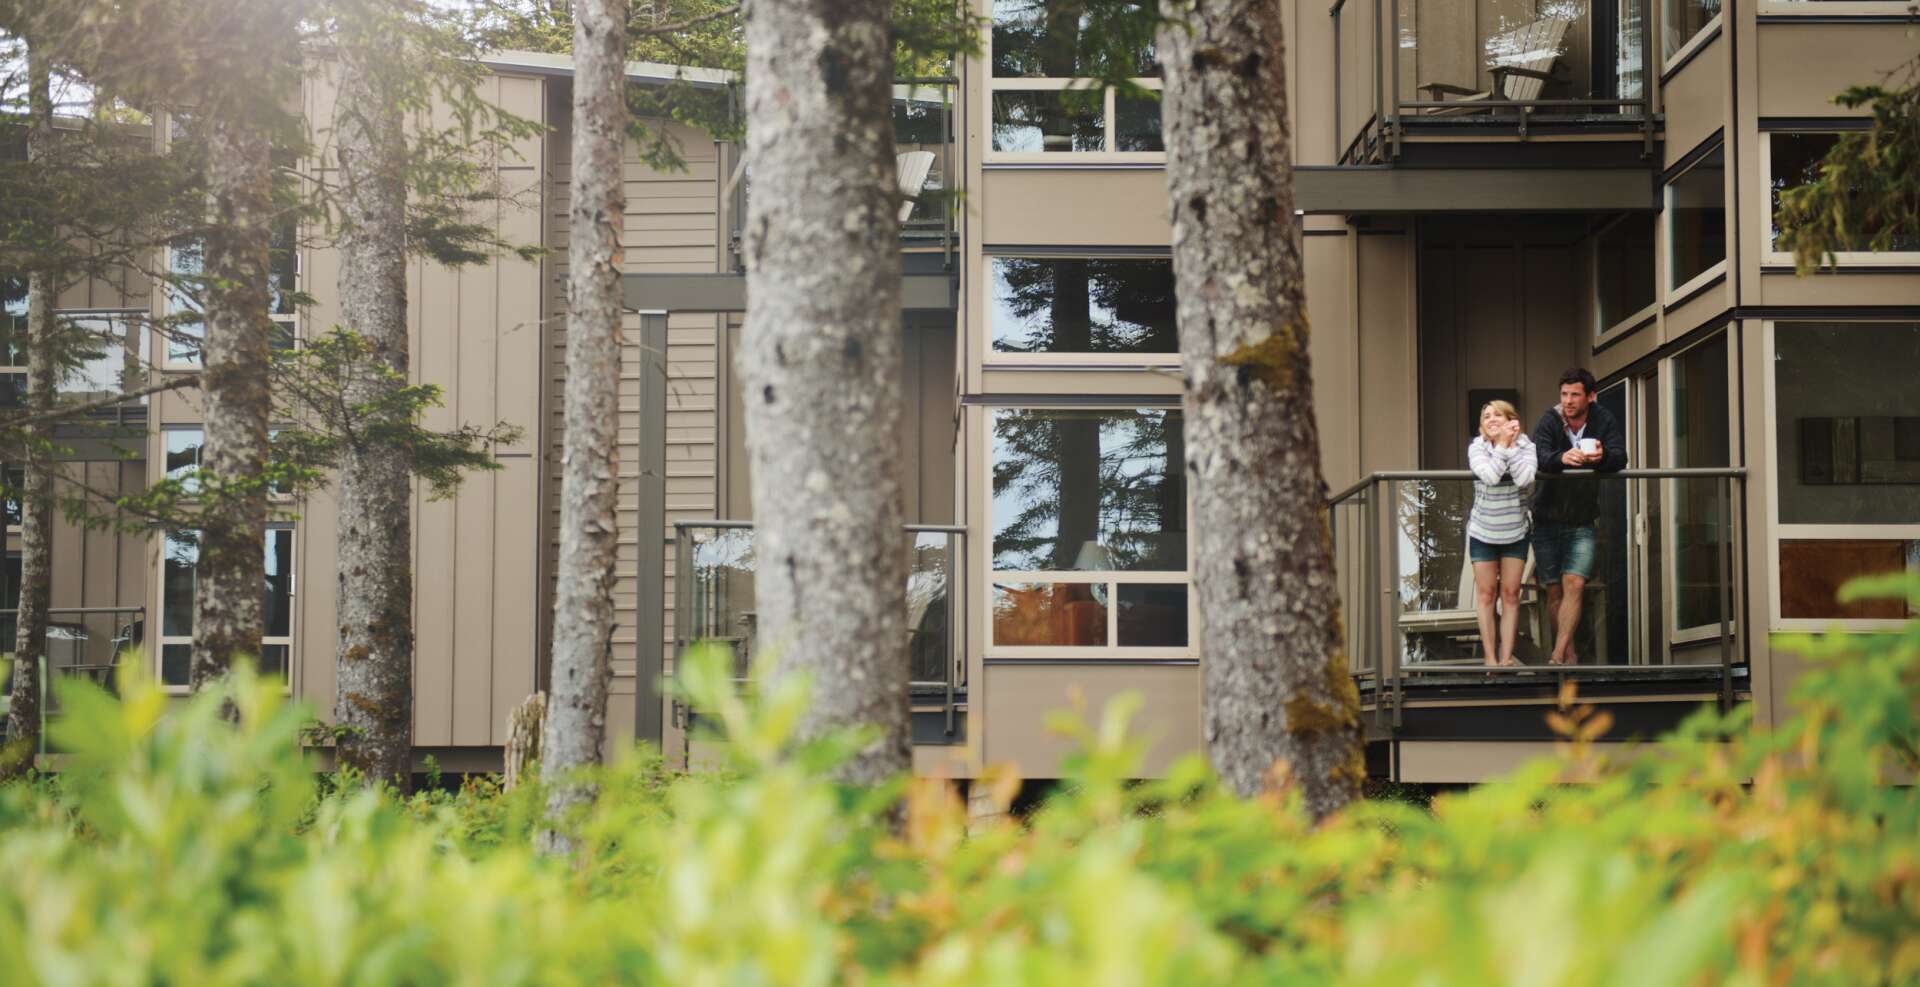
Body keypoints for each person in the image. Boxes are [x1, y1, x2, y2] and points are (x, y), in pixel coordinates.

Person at [1531, 368, 1627, 665]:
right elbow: (1538, 456)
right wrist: (1562, 458)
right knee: (1554, 589)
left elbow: (1619, 456)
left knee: (1576, 584)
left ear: (1590, 396)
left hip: (1582, 520)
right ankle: (1569, 653)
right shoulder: (1550, 420)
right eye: (1564, 394)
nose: (1568, 401)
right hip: (1546, 518)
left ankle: (1558, 655)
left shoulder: (1602, 419)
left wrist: (1602, 458)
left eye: (1574, 394)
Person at [1467, 400, 1534, 667]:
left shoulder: (1526, 446)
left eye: (1498, 414)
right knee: (1486, 595)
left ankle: (1506, 658)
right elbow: (1490, 476)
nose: (1492, 419)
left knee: (1510, 594)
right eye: (1486, 416)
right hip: (1482, 530)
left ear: (1511, 420)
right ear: (1481, 425)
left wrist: (1511, 447)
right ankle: (1490, 658)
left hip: (1515, 532)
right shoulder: (1477, 447)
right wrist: (1503, 447)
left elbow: (1525, 478)